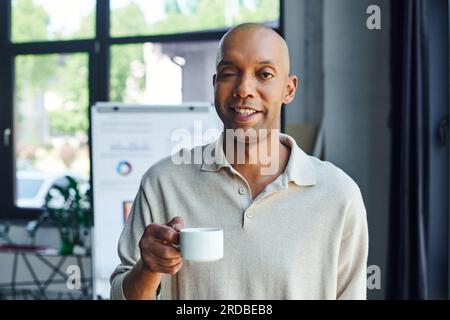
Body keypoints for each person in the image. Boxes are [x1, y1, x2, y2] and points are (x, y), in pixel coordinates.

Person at [110, 23, 368, 300]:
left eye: (264, 74)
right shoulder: (162, 182)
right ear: (214, 84)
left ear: (289, 89)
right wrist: (148, 269)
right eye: (229, 73)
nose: (244, 89)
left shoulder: (338, 194)